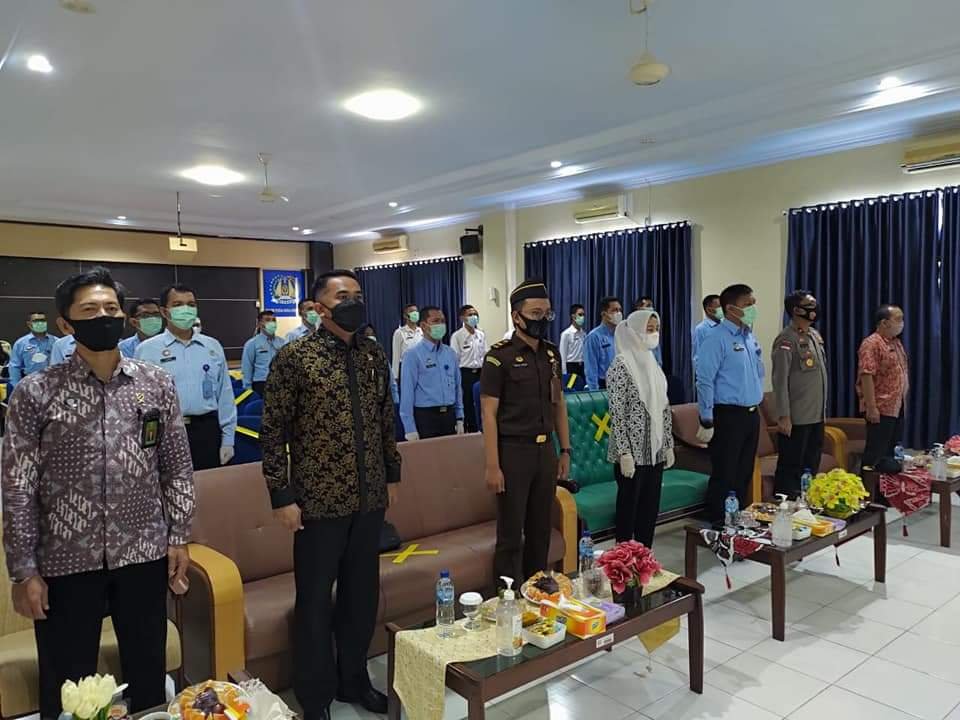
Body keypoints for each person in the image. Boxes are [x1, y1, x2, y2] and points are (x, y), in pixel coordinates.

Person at [2, 266, 194, 716]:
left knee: (148, 673)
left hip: (143, 551)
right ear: (65, 324)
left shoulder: (155, 383)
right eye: (89, 310)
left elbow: (176, 466)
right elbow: (18, 485)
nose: (103, 317)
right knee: (70, 686)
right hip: (66, 558)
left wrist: (179, 534)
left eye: (111, 308)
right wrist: (23, 570)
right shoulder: (36, 392)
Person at [261, 269, 401, 720]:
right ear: (320, 307)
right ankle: (315, 696)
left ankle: (353, 681)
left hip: (368, 498)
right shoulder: (295, 357)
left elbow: (385, 419)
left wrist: (391, 475)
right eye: (342, 296)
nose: (352, 302)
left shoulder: (373, 353)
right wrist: (281, 495)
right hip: (317, 502)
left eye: (357, 294)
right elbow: (273, 431)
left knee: (361, 599)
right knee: (315, 604)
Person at [480, 279, 572, 587]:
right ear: (516, 316)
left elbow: (558, 404)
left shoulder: (551, 354)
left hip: (545, 452)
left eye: (547, 313)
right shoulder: (499, 357)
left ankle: (536, 589)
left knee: (540, 527)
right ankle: (506, 597)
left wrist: (565, 450)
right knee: (510, 533)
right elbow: (488, 414)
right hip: (513, 453)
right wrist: (492, 465)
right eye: (535, 313)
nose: (542, 319)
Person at [136, 284, 236, 470]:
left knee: (208, 484)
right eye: (178, 304)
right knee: (171, 485)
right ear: (164, 312)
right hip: (167, 430)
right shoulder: (147, 350)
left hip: (206, 429)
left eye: (191, 304)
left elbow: (225, 395)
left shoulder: (212, 346)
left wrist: (228, 438)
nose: (186, 309)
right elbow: (140, 401)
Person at [695, 284, 764, 522]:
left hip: (751, 414)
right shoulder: (716, 338)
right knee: (725, 473)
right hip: (728, 415)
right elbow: (704, 380)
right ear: (731, 309)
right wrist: (706, 419)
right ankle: (718, 525)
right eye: (748, 304)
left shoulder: (749, 336)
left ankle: (737, 522)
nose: (753, 308)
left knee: (744, 472)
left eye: (754, 303)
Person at [607, 310, 675, 547]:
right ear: (635, 332)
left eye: (656, 329)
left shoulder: (653, 363)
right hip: (631, 455)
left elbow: (664, 408)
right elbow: (617, 413)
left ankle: (645, 556)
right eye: (649, 329)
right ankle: (624, 559)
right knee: (629, 509)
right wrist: (624, 453)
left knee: (649, 508)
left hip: (654, 451)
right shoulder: (621, 365)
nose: (654, 334)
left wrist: (668, 445)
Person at [771, 291, 828, 496]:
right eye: (810, 305)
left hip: (816, 413)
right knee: (791, 464)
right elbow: (780, 380)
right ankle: (786, 502)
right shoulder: (786, 339)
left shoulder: (814, 335)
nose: (815, 308)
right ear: (796, 310)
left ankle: (808, 500)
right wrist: (784, 416)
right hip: (796, 416)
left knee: (811, 462)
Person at [857, 304, 909, 468]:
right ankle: (867, 484)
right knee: (875, 454)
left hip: (897, 406)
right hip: (880, 407)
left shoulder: (896, 343)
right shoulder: (872, 343)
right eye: (898, 319)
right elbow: (866, 376)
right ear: (884, 322)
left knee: (890, 454)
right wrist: (871, 407)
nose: (902, 323)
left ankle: (886, 484)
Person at [400, 307, 464, 440]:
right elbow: (407, 393)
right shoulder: (413, 355)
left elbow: (457, 387)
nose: (441, 325)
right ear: (423, 326)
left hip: (449, 415)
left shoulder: (450, 353)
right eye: (436, 321)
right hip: (426, 417)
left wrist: (460, 417)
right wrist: (409, 428)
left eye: (443, 321)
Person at [450, 304, 486, 433]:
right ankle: (469, 430)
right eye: (470, 315)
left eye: (475, 314)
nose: (474, 317)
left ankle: (481, 428)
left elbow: (485, 354)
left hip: (480, 372)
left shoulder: (481, 334)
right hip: (465, 373)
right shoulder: (457, 336)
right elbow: (454, 359)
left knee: (481, 403)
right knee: (467, 403)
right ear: (462, 318)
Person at [241, 310, 287, 397]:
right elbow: (247, 368)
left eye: (274, 320)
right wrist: (248, 390)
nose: (272, 323)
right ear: (259, 324)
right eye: (267, 320)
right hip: (261, 383)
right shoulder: (252, 343)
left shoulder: (282, 342)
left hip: (280, 382)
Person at [8, 311, 56, 389]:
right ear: (29, 324)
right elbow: (14, 366)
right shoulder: (21, 343)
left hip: (52, 383)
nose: (40, 323)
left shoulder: (57, 342)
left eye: (43, 320)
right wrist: (16, 386)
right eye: (36, 321)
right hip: (30, 383)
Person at [584, 296, 622, 389]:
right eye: (614, 310)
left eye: (620, 310)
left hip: (620, 383)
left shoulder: (621, 335)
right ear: (604, 314)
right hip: (604, 385)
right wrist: (594, 392)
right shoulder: (594, 337)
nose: (619, 313)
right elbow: (591, 369)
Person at [362, 324, 400, 405]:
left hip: (381, 402)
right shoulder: (358, 358)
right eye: (367, 335)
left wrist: (396, 401)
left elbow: (392, 383)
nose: (371, 337)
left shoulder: (382, 358)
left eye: (372, 334)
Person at [390, 303, 422, 382]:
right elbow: (396, 356)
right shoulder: (399, 332)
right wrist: (395, 376)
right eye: (412, 311)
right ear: (405, 316)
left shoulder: (422, 331)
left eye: (416, 311)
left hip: (421, 368)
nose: (415, 313)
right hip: (406, 368)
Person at [692, 294, 722, 364]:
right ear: (709, 310)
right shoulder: (701, 329)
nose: (723, 310)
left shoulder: (725, 326)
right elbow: (698, 356)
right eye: (719, 307)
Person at [559, 304, 587, 377]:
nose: (582, 317)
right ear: (573, 316)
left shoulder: (584, 334)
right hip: (571, 366)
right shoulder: (566, 334)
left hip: (582, 366)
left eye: (583, 315)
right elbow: (562, 355)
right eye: (580, 315)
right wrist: (564, 373)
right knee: (572, 384)